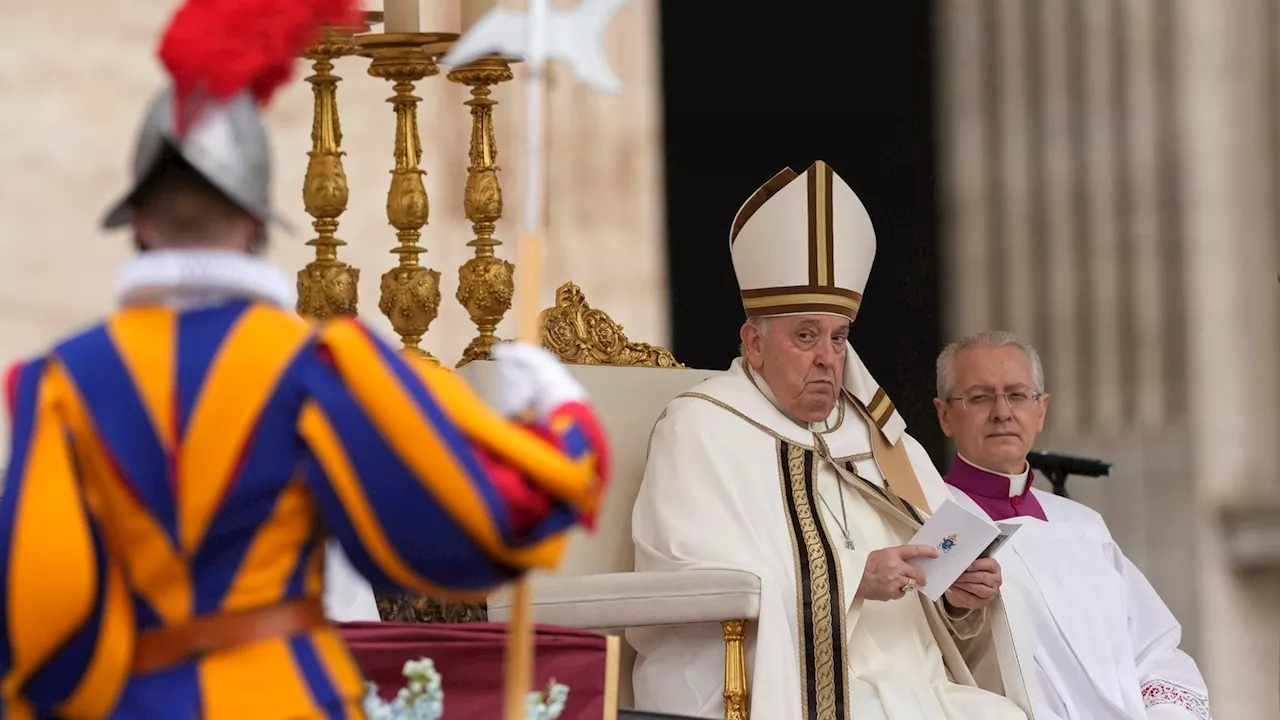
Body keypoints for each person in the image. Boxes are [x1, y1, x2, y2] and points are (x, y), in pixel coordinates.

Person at [0, 2, 609, 717]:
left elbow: (38, 614)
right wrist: (558, 422)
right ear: (257, 223)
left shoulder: (57, 382)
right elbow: (458, 541)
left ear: (135, 221)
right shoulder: (316, 363)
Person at [629, 161, 1036, 720]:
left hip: (913, 686)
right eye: (805, 336)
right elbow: (684, 576)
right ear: (754, 342)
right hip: (781, 687)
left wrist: (959, 595)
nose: (828, 357)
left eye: (839, 337)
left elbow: (936, 576)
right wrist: (852, 579)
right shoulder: (701, 428)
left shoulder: (882, 441)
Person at [934, 330, 1211, 720]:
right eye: (980, 397)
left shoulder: (1082, 526)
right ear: (944, 414)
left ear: (1041, 410)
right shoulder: (927, 518)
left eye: (1017, 395)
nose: (1002, 412)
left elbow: (1154, 648)